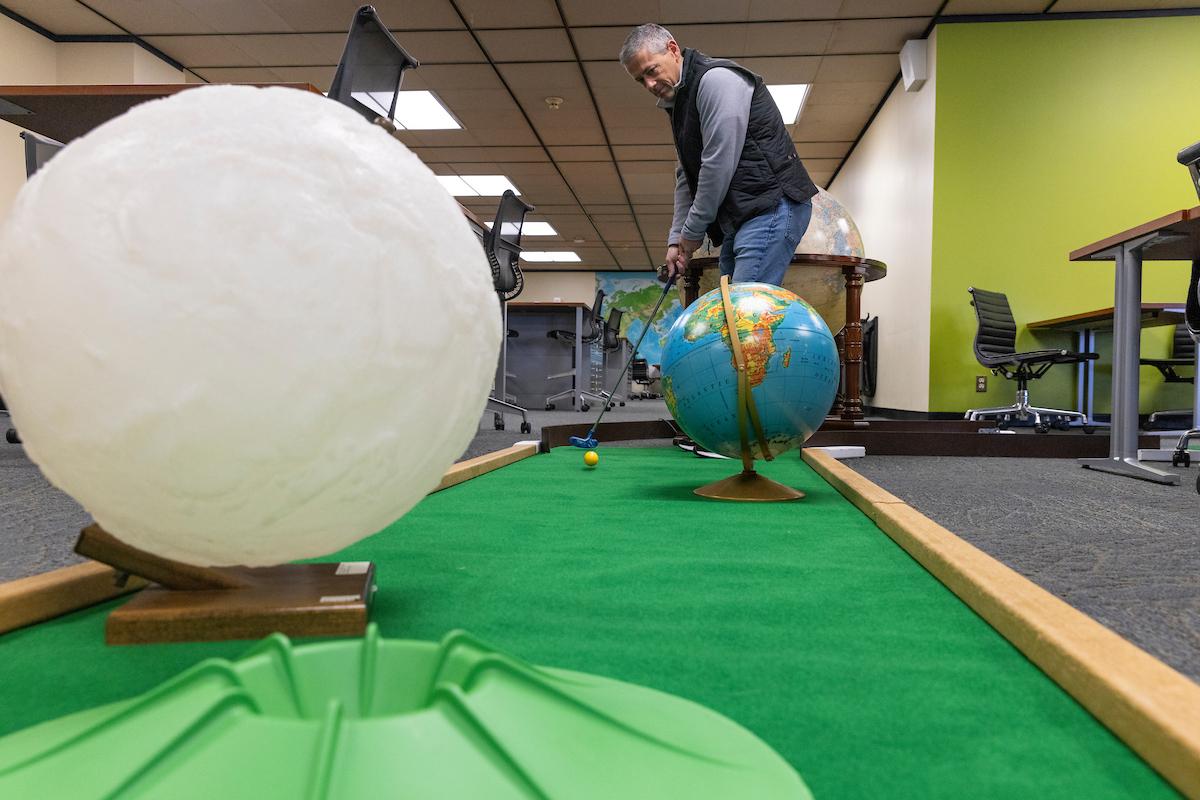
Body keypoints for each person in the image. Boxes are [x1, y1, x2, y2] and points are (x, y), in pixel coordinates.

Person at [620, 23, 818, 287]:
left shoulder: (716, 80)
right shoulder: (680, 103)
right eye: (640, 80)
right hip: (741, 217)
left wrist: (691, 233)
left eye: (651, 71)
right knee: (729, 315)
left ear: (673, 49)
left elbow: (717, 165)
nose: (649, 84)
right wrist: (676, 239)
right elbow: (685, 177)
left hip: (771, 206)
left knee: (742, 316)